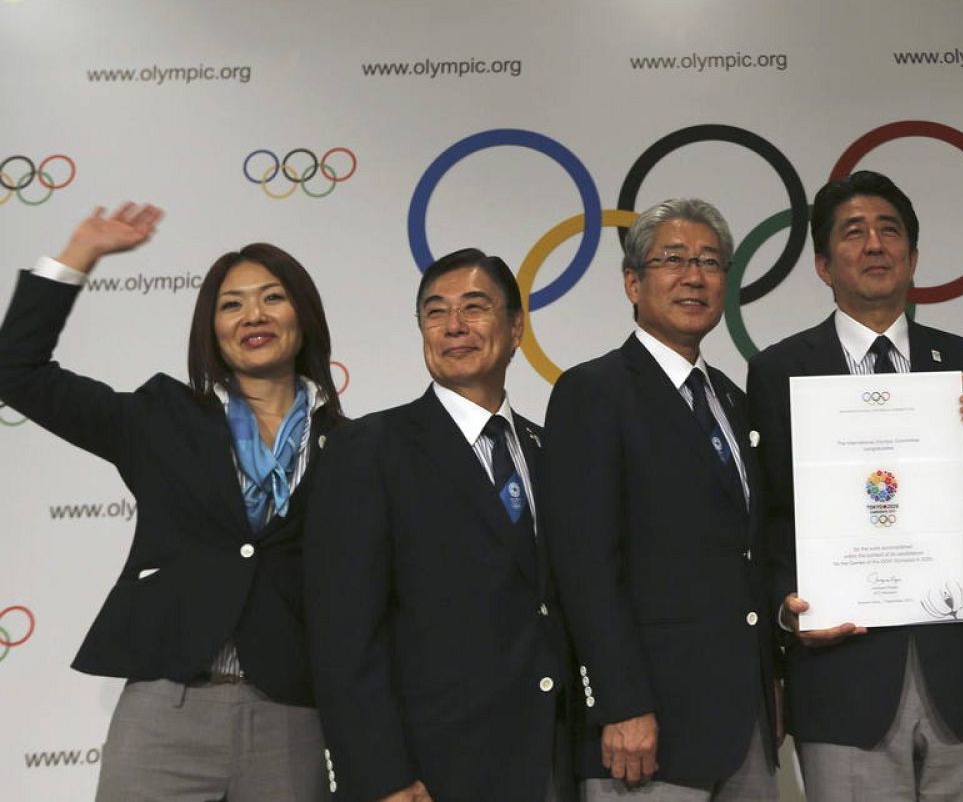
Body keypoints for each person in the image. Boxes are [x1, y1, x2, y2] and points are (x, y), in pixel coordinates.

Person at [0, 203, 344, 801]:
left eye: (272, 298)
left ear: (303, 316)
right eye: (231, 304)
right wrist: (80, 254)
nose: (253, 315)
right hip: (166, 711)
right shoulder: (160, 419)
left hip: (291, 715)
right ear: (211, 329)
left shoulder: (354, 446)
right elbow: (16, 370)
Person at [745, 170, 963, 801]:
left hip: (960, 667)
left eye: (889, 231)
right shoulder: (779, 369)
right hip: (841, 672)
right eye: (853, 232)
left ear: (912, 258)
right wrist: (786, 607)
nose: (874, 245)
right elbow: (770, 513)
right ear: (822, 265)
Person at [303, 249, 571, 802]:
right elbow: (342, 634)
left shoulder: (552, 451)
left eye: (474, 307)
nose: (454, 326)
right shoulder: (369, 449)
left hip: (553, 759)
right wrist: (380, 775)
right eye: (435, 312)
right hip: (431, 772)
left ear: (515, 328)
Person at [543, 198, 779, 800]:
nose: (694, 277)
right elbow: (584, 566)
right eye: (673, 260)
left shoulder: (730, 399)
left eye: (710, 262)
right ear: (632, 282)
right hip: (646, 732)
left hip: (745, 727)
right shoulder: (592, 392)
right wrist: (620, 703)